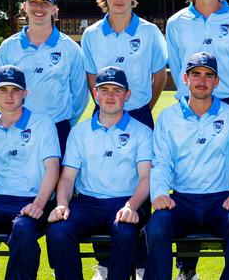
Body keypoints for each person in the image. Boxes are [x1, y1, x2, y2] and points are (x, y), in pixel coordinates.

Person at [144, 51, 229, 280]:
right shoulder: (167, 117)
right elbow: (161, 162)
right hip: (181, 200)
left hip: (220, 201)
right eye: (196, 74)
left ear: (216, 81)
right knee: (156, 227)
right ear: (185, 78)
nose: (202, 81)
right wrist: (160, 193)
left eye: (208, 75)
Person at [46, 66, 152, 280]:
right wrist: (62, 204)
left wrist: (131, 206)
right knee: (58, 232)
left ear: (127, 95)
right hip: (87, 203)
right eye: (104, 90)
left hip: (126, 201)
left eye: (117, 90)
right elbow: (67, 178)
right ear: (95, 94)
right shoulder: (79, 132)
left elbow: (146, 177)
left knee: (125, 233)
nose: (110, 96)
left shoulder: (142, 132)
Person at [0, 65, 60, 280]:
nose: (9, 96)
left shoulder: (43, 124)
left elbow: (52, 168)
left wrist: (39, 204)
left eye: (15, 90)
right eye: (3, 90)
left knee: (24, 230)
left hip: (33, 201)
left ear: (25, 93)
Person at [0, 0, 88, 156]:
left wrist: (66, 123)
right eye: (33, 2)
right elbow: (2, 92)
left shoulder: (70, 49)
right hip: (18, 128)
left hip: (58, 130)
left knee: (58, 184)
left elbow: (80, 94)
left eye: (45, 3)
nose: (39, 8)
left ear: (55, 9)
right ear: (24, 6)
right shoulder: (8, 47)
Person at [81, 0, 168, 129]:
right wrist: (106, 107)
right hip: (103, 113)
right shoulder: (91, 34)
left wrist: (145, 109)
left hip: (139, 113)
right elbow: (91, 77)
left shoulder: (150, 32)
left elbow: (160, 77)